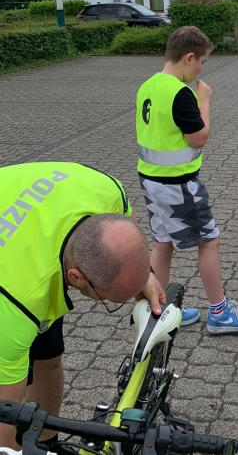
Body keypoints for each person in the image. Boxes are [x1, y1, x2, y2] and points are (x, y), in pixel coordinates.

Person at [0, 161, 164, 449]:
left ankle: (46, 444)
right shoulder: (16, 307)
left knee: (47, 359)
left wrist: (144, 277)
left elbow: (128, 228)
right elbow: (5, 412)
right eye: (112, 300)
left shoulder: (106, 189)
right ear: (75, 276)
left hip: (30, 243)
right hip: (12, 284)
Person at [135, 25, 238, 334]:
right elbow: (199, 138)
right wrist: (204, 99)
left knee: (163, 243)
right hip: (179, 185)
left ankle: (157, 308)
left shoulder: (147, 86)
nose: (202, 68)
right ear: (189, 58)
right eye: (202, 61)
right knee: (209, 240)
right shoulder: (181, 93)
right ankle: (219, 312)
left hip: (151, 181)